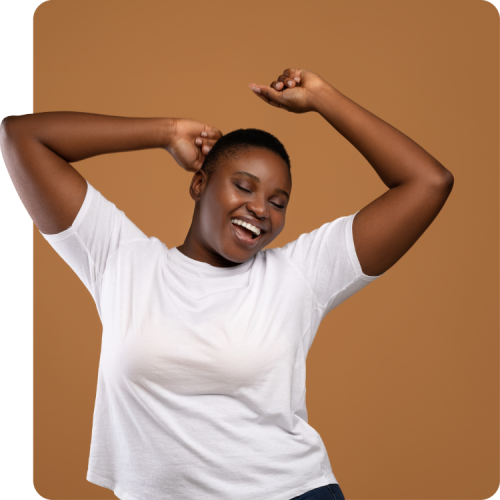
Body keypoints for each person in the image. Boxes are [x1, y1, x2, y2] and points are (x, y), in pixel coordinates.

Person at [6, 67, 453, 500]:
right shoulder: (122, 260)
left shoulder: (297, 275)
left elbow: (428, 182)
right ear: (199, 183)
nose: (261, 209)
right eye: (244, 186)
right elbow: (22, 137)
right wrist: (166, 132)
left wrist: (321, 97)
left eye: (278, 202)